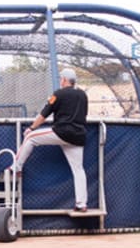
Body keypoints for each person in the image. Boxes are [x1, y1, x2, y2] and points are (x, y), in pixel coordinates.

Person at [14, 68, 89, 212]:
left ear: (65, 80)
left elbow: (44, 114)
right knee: (78, 170)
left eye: (61, 78)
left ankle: (16, 167)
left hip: (62, 132)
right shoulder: (83, 95)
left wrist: (32, 127)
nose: (60, 81)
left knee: (30, 137)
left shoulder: (58, 94)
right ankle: (81, 203)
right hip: (78, 136)